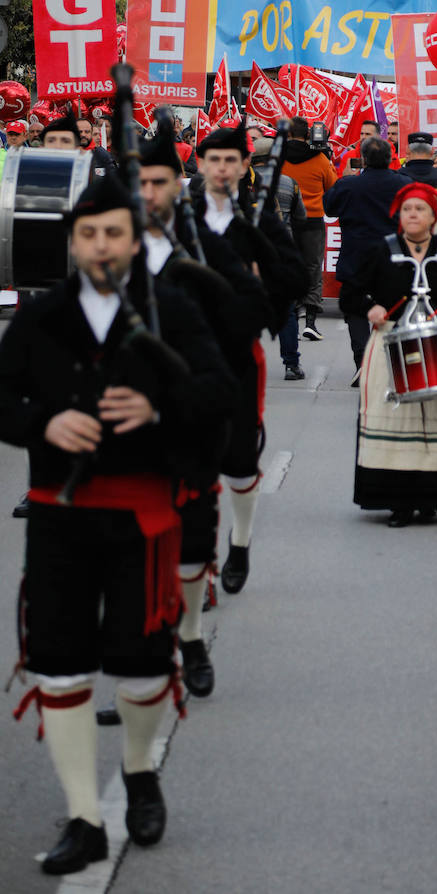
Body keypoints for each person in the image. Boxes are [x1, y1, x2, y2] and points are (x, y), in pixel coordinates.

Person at [0, 173, 235, 876]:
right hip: (59, 515)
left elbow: (218, 390)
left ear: (136, 242)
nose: (101, 246)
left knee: (138, 665)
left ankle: (138, 771)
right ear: (71, 242)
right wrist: (44, 419)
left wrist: (159, 413)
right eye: (88, 234)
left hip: (143, 515)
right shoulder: (41, 315)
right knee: (60, 662)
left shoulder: (169, 309)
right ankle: (83, 817)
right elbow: (2, 397)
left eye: (114, 233)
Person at [138, 119, 270, 697]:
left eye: (158, 182)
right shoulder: (107, 240)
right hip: (134, 406)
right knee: (132, 536)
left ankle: (191, 626)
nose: (149, 194)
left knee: (209, 500)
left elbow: (265, 295)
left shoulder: (217, 238)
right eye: (139, 183)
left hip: (209, 382)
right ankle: (138, 662)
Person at [191, 122, 307, 594]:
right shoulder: (182, 215)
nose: (221, 168)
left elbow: (295, 279)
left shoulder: (261, 217)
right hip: (185, 356)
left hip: (238, 353)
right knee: (191, 466)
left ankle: (239, 542)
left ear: (244, 167)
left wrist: (261, 261)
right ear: (201, 165)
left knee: (239, 465)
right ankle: (198, 565)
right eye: (213, 160)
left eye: (230, 160)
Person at [347, 181, 437, 526]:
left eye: (420, 210)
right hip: (390, 349)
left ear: (433, 217)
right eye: (407, 210)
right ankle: (398, 502)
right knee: (398, 423)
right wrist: (371, 308)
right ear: (399, 217)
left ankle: (434, 498)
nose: (413, 214)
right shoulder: (381, 251)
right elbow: (350, 296)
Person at [324, 136, 409, 382]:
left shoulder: (349, 184)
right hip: (394, 257)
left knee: (356, 311)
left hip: (356, 257)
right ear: (389, 158)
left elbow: (329, 208)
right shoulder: (403, 184)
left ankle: (363, 359)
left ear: (363, 159)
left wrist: (347, 177)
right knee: (394, 308)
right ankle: (390, 360)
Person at [252, 137, 309, 380]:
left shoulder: (245, 183)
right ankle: (291, 364)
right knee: (287, 310)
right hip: (280, 251)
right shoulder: (289, 183)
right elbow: (301, 217)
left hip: (251, 251)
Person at [280, 117, 337, 342]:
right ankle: (311, 322)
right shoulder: (321, 159)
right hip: (312, 219)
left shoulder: (278, 155)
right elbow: (332, 185)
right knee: (313, 269)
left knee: (289, 267)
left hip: (286, 218)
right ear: (308, 135)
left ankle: (291, 317)